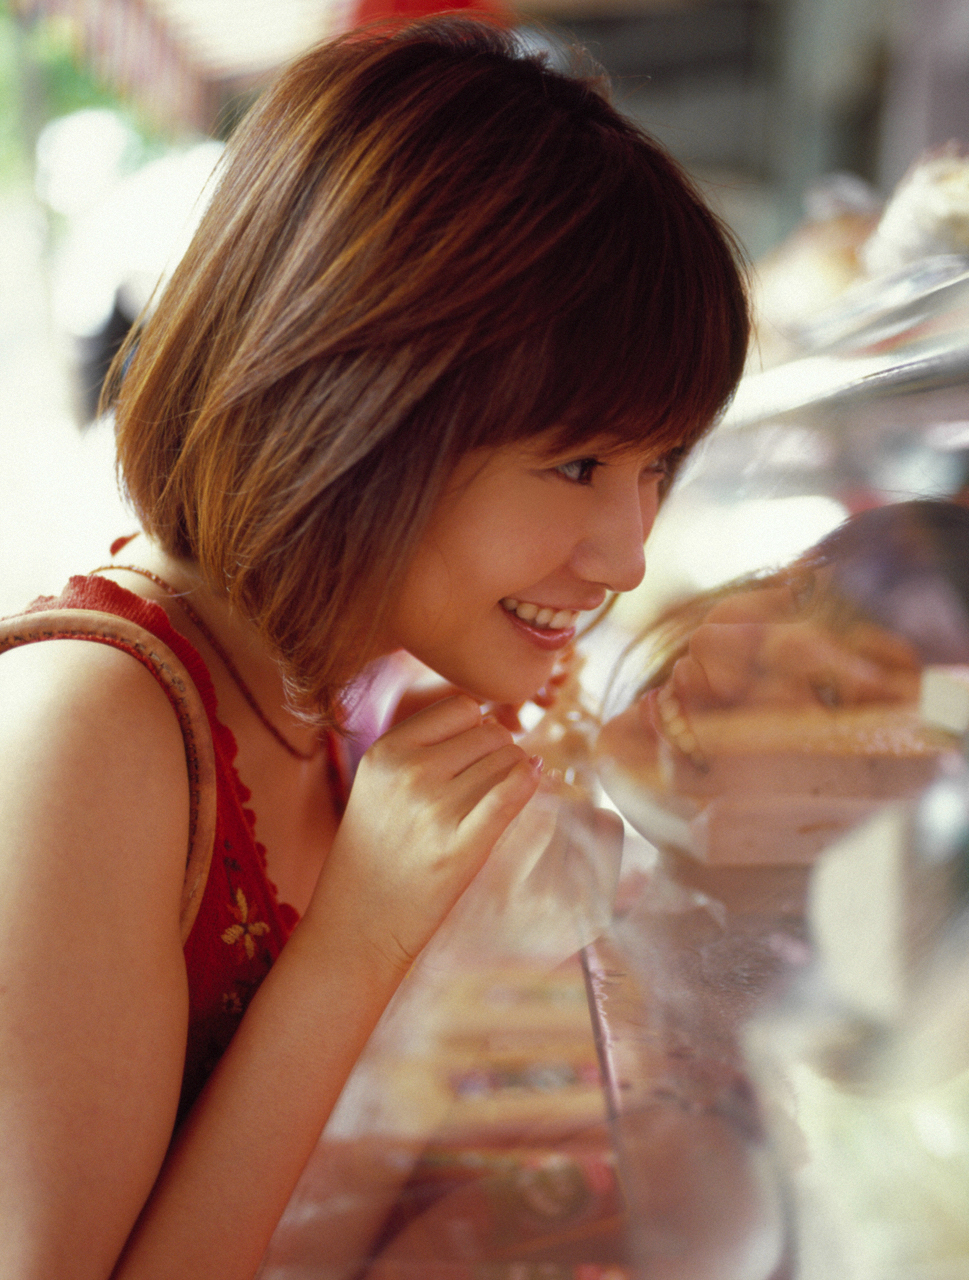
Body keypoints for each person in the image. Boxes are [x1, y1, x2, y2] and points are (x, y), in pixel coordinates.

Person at [0, 18, 748, 1280]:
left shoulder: (312, 686)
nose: (627, 552)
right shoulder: (92, 726)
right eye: (578, 462)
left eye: (658, 466)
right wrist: (365, 937)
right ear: (362, 400)